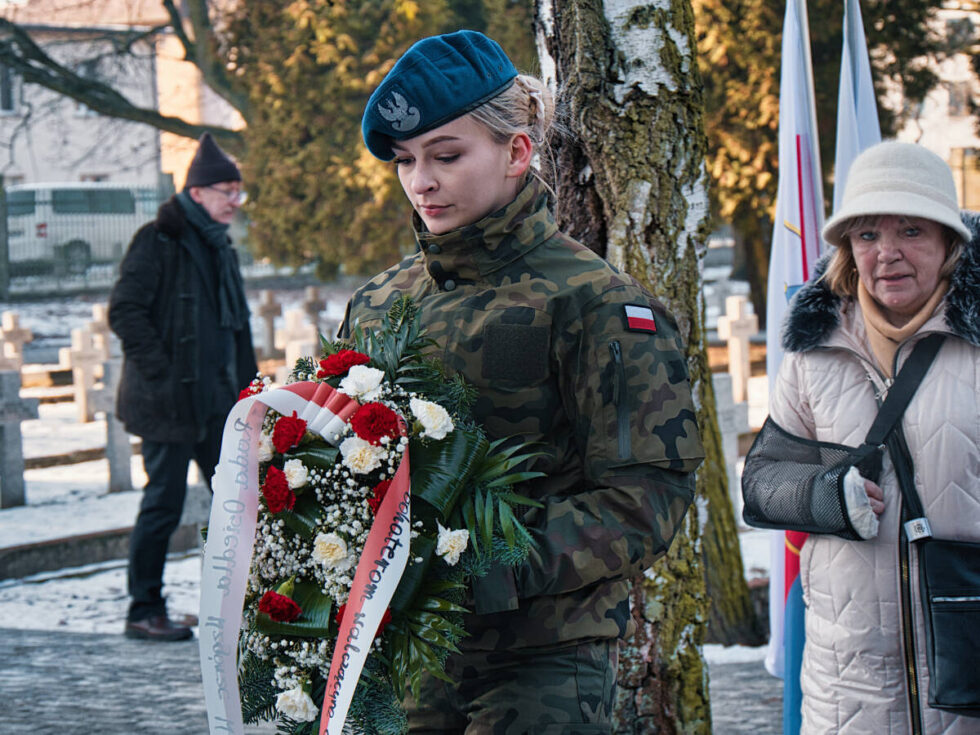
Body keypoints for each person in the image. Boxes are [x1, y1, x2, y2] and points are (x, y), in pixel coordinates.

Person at [344, 30, 704, 733]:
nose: (422, 180)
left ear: (517, 152)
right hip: (409, 656)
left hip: (544, 662)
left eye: (447, 155)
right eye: (406, 161)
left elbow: (648, 495)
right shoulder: (379, 303)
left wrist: (490, 565)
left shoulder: (595, 302)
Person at [745, 140, 979, 733]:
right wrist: (825, 496)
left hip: (968, 675)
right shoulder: (814, 350)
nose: (888, 254)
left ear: (949, 242)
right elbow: (762, 482)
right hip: (847, 689)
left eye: (910, 231)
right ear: (848, 249)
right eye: (867, 235)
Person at [109, 133, 258, 641]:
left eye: (239, 191)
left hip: (216, 403)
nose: (235, 201)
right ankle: (142, 609)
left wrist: (250, 392)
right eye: (226, 191)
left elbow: (236, 328)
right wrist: (163, 374)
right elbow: (125, 311)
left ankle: (234, 605)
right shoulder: (160, 238)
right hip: (167, 403)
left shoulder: (220, 245)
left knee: (234, 504)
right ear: (197, 193)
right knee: (164, 504)